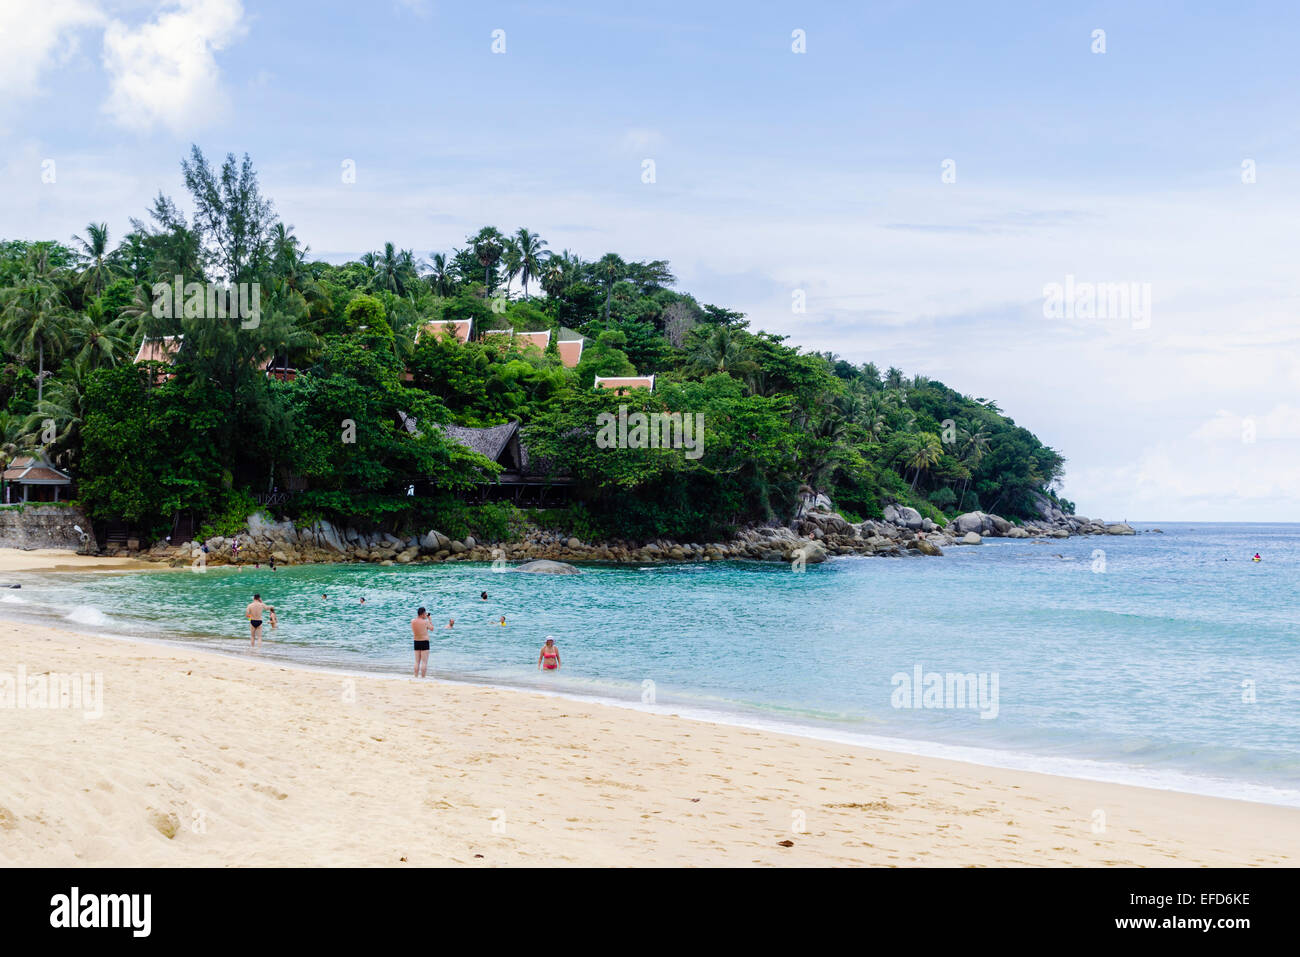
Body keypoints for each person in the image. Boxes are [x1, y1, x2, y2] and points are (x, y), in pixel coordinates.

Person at [411, 607, 431, 678]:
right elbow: (431, 628)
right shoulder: (426, 622)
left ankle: (415, 676)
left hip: (416, 641)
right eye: (425, 613)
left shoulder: (413, 621)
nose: (426, 615)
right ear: (422, 614)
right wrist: (429, 619)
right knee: (424, 662)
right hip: (424, 641)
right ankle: (423, 677)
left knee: (417, 661)